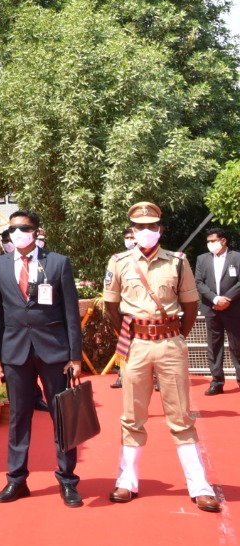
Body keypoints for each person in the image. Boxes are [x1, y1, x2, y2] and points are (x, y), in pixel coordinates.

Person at [104, 201, 219, 512]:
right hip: (136, 344)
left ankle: (199, 485)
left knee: (181, 416)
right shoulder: (119, 262)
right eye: (139, 227)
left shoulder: (178, 262)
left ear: (160, 229)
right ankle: (126, 481)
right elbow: (111, 306)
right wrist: (128, 334)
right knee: (131, 415)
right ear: (132, 230)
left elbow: (191, 306)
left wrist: (176, 333)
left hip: (170, 342)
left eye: (151, 226)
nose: (145, 231)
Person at [0, 209, 83, 507]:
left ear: (37, 231)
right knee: (18, 418)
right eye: (13, 229)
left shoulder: (57, 263)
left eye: (24, 228)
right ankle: (16, 480)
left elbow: (70, 313)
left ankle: (68, 480)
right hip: (15, 352)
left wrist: (75, 355)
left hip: (54, 351)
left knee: (62, 416)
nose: (18, 233)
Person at [196, 226, 240, 396]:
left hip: (233, 307)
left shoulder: (237, 257)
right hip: (211, 308)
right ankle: (217, 381)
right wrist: (215, 299)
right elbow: (199, 282)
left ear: (223, 240)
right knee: (214, 346)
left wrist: (227, 299)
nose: (210, 244)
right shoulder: (202, 259)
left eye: (213, 241)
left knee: (237, 345)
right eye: (208, 241)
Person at [110, 225, 138, 389]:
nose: (130, 241)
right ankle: (122, 376)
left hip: (145, 311)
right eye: (127, 238)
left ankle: (156, 378)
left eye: (132, 238)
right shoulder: (119, 260)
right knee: (123, 344)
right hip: (125, 309)